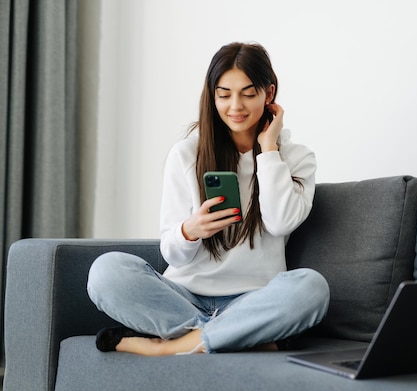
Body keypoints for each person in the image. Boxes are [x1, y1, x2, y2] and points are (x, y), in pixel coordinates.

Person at [87, 42, 330, 356]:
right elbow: (173, 254)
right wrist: (191, 230)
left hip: (252, 299)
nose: (235, 106)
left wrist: (269, 150)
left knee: (311, 288)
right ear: (212, 95)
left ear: (268, 94)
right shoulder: (187, 153)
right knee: (106, 271)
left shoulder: (297, 158)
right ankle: (238, 336)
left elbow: (280, 223)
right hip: (184, 296)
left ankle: (171, 347)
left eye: (248, 93)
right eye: (224, 94)